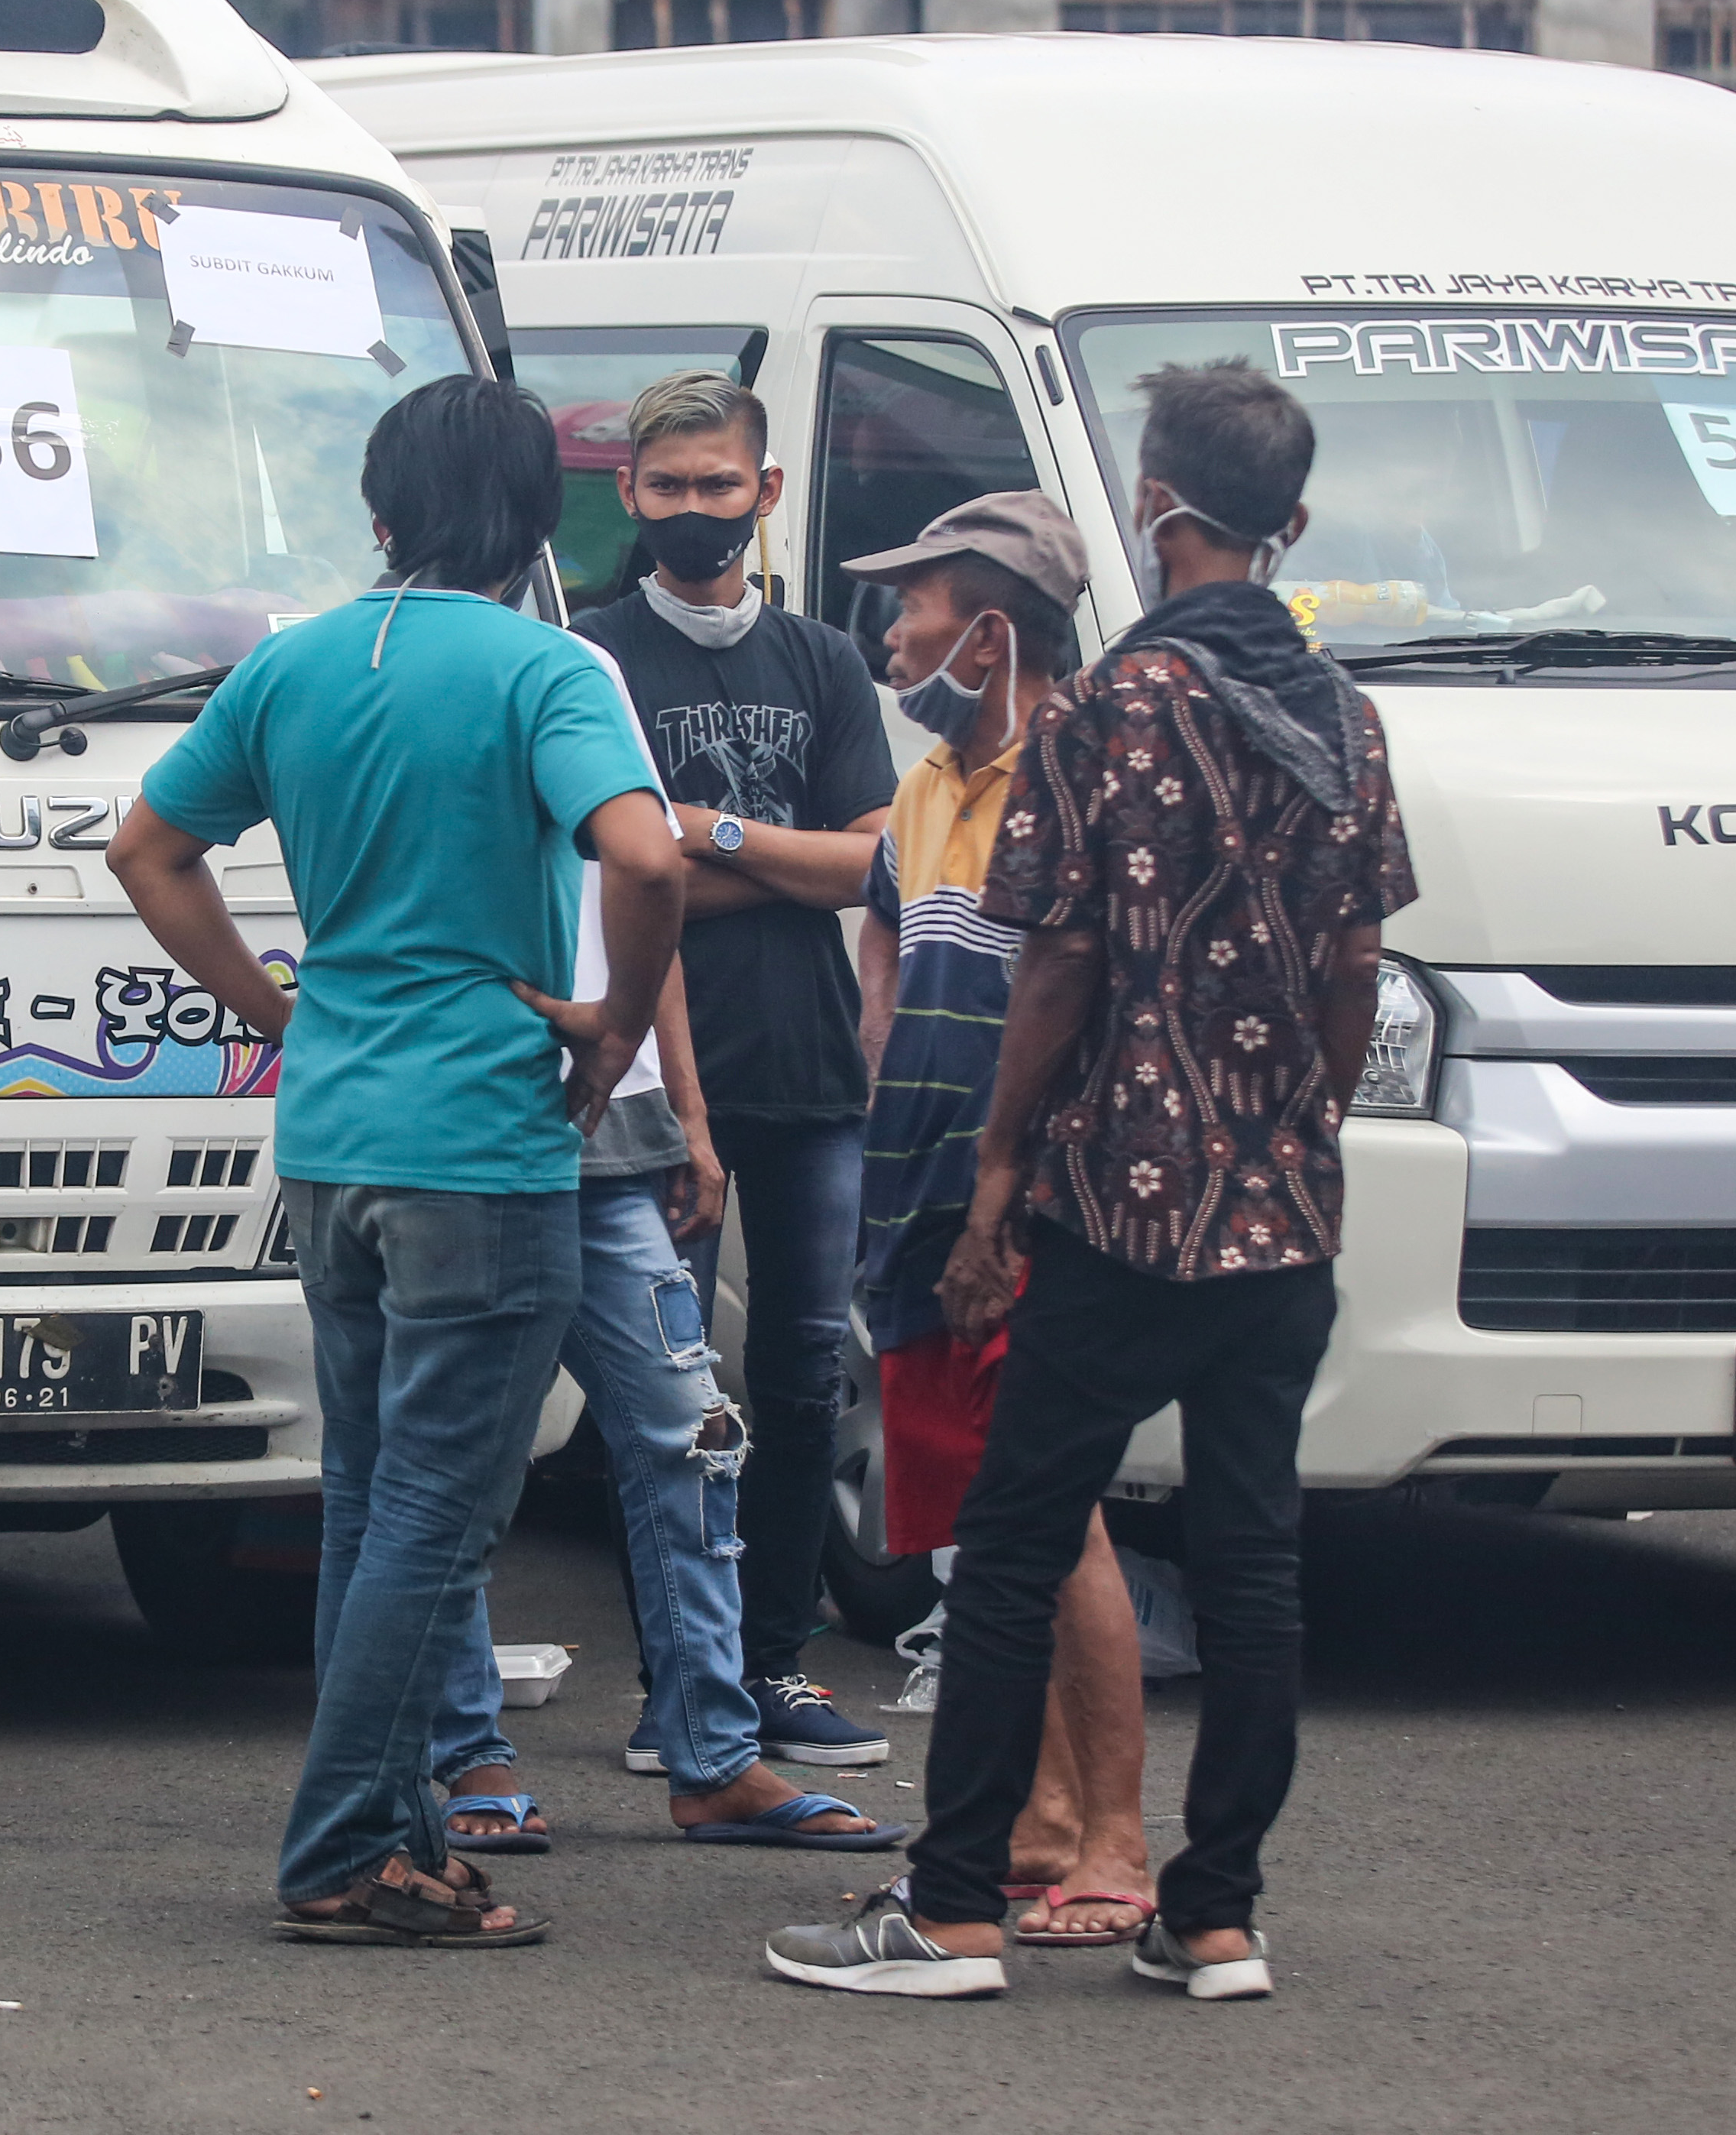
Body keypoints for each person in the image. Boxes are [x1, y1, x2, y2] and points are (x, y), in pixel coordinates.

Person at [768, 361, 1418, 2004]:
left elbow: (1052, 964)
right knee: (1254, 1557)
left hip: (1114, 1191)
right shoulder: (1349, 715)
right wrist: (1304, 1124)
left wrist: (994, 1178)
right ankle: (1214, 1918)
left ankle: (959, 1906)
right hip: (1284, 1206)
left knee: (1012, 1540)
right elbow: (1357, 966)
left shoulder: (1113, 710)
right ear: (1295, 521)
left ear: (1153, 505)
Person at [108, 374, 683, 1949]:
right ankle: (349, 1845)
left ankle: (400, 1830)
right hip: (482, 1143)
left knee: (371, 1498)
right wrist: (617, 1025)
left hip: (337, 1127)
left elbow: (146, 847)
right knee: (440, 1508)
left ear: (378, 515)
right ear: (535, 520)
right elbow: (644, 854)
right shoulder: (546, 669)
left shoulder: (289, 666)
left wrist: (267, 1002)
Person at [425, 635, 904, 1867]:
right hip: (462, 1121)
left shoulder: (580, 667)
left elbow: (649, 899)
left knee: (693, 1433)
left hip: (608, 1131)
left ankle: (714, 1756)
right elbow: (654, 864)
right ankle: (464, 1750)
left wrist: (685, 1109)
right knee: (465, 1459)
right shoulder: (371, 667)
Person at [837, 492, 1155, 1949]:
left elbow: (1092, 1012)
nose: (891, 638)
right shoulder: (926, 790)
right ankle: (1033, 1815)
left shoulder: (1081, 776)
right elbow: (888, 965)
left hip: (1017, 1215)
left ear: (988, 632)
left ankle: (1117, 1842)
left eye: (912, 610)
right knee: (975, 1522)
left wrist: (1008, 1203)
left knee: (1052, 1516)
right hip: (916, 1202)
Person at [572, 370, 899, 1775]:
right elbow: (611, 884)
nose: (695, 513)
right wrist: (780, 859)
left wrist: (701, 839)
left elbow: (879, 861)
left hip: (813, 1071)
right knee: (674, 1397)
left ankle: (778, 1663)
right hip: (654, 1082)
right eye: (668, 489)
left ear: (767, 495)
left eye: (721, 487)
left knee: (809, 1375)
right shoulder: (591, 659)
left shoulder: (824, 662)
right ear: (628, 499)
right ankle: (682, 1683)